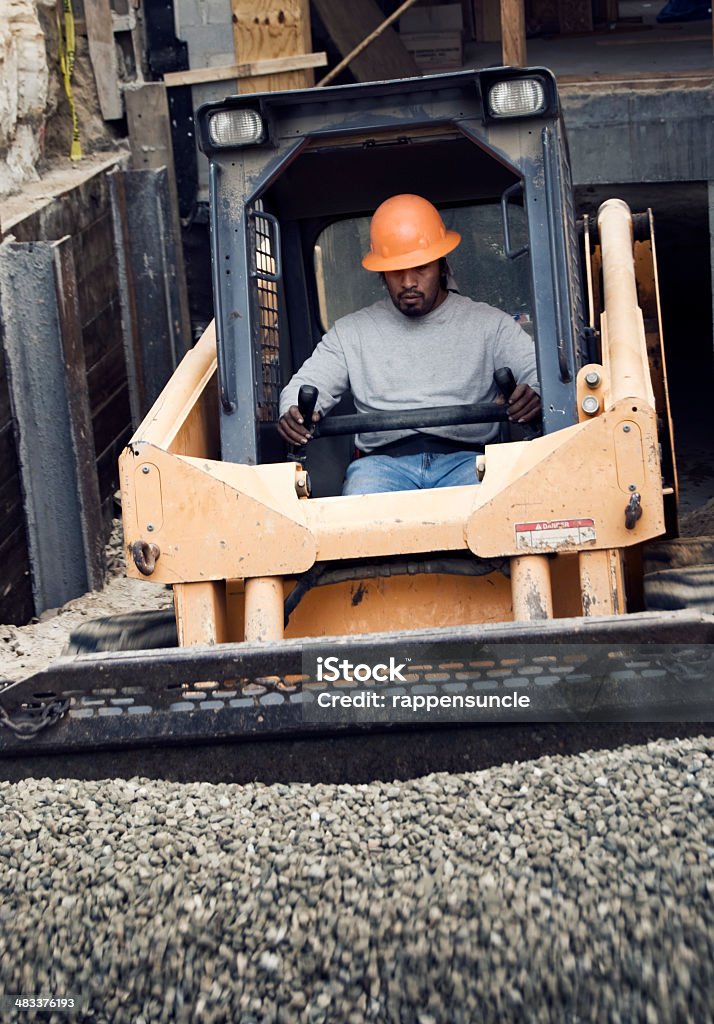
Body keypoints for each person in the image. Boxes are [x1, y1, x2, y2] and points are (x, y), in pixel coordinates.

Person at [278, 194, 541, 494]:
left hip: (471, 461)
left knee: (493, 504)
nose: (408, 282)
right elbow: (307, 385)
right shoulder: (351, 333)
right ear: (381, 273)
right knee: (360, 512)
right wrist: (294, 412)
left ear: (441, 266)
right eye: (396, 271)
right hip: (381, 465)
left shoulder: (489, 324)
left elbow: (537, 371)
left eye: (421, 268)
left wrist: (533, 392)